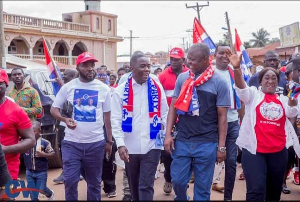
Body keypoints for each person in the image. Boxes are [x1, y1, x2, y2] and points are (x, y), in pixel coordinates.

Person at [228, 49, 300, 201]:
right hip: (254, 152)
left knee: (273, 193)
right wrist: (236, 68)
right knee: (256, 191)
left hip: (279, 153)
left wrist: (293, 95)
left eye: (274, 78)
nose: (271, 81)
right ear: (260, 81)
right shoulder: (254, 95)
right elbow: (241, 89)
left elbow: (292, 112)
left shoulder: (282, 99)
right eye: (266, 78)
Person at [164, 43, 230, 200]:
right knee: (178, 182)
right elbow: (173, 107)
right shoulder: (183, 78)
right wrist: (168, 134)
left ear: (206, 59)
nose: (188, 62)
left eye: (193, 60)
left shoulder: (219, 82)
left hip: (207, 142)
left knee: (202, 190)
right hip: (182, 140)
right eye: (188, 58)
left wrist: (221, 146)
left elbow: (222, 117)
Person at [50, 52, 113, 201]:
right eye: (85, 65)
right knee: (70, 181)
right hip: (72, 144)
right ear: (78, 67)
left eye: (92, 65)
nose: (90, 68)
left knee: (94, 183)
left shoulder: (103, 89)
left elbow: (108, 118)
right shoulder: (68, 87)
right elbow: (54, 109)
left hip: (95, 144)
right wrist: (65, 119)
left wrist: (109, 141)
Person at [111, 52, 169, 200]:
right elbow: (116, 120)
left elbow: (165, 113)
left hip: (152, 144)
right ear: (132, 68)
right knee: (134, 186)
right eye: (142, 66)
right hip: (130, 146)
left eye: (148, 66)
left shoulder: (157, 87)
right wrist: (120, 144)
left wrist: (167, 135)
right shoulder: (120, 91)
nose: (147, 69)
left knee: (146, 185)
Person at [211, 45, 243, 200]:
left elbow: (242, 96)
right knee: (207, 160)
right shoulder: (208, 73)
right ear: (214, 55)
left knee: (230, 161)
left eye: (227, 53)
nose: (224, 56)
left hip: (232, 122)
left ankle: (228, 197)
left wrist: (242, 122)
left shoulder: (235, 72)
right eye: (221, 53)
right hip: (212, 124)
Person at [158, 47, 189, 194]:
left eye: (176, 59)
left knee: (184, 152)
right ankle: (169, 178)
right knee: (168, 153)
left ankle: (182, 182)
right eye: (171, 59)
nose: (173, 62)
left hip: (186, 121)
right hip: (168, 120)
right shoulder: (163, 76)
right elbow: (157, 98)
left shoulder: (190, 74)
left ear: (183, 60)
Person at [0, 69, 35, 180]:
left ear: (6, 85)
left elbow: (31, 140)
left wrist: (4, 149)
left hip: (6, 169)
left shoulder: (16, 110)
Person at [53, 68, 78, 184]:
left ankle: (77, 172)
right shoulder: (64, 88)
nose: (63, 76)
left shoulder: (77, 88)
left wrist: (62, 84)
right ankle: (66, 172)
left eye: (66, 75)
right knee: (63, 148)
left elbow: (72, 99)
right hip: (63, 123)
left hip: (76, 126)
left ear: (73, 76)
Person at [23, 121, 55, 200]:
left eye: (34, 131)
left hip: (41, 172)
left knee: (41, 189)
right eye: (30, 131)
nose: (32, 133)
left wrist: (43, 154)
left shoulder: (45, 143)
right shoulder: (25, 142)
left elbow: (53, 154)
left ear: (40, 131)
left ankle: (50, 194)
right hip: (29, 171)